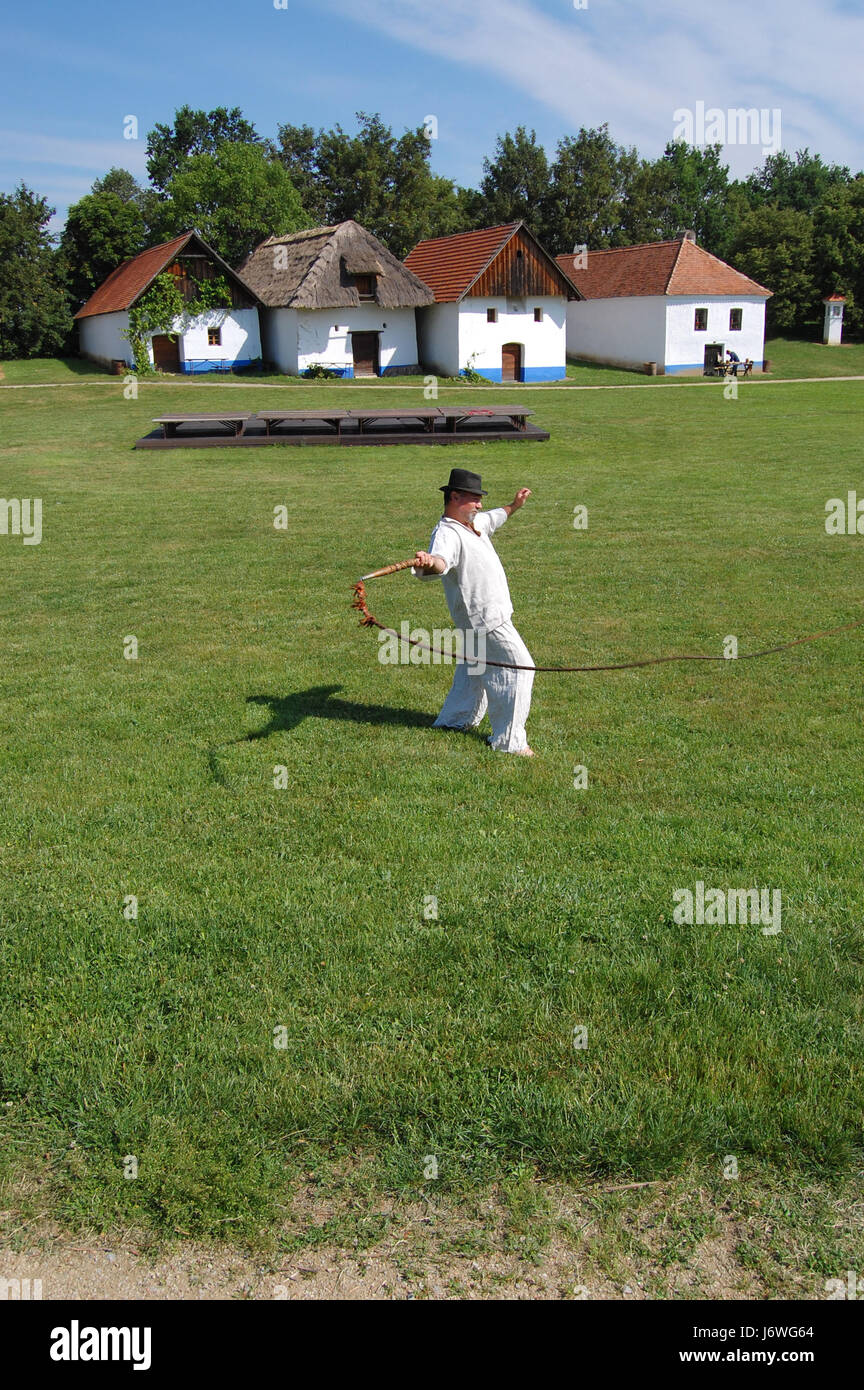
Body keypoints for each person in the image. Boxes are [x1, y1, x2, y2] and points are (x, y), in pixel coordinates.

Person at [412, 467, 535, 756]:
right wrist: (429, 562)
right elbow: (442, 562)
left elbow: (494, 517)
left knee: (475, 669)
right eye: (474, 498)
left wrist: (514, 505)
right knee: (520, 667)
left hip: (487, 615)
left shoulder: (474, 522)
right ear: (455, 497)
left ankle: (455, 720)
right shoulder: (446, 534)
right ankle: (510, 741)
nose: (479, 504)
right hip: (484, 617)